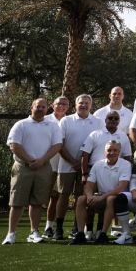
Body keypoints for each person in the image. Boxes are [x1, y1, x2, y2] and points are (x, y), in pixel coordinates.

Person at [3, 98, 64, 245]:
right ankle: (11, 234)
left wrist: (42, 161)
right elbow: (14, 145)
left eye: (43, 107)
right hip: (23, 167)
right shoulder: (21, 124)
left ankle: (34, 232)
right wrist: (30, 160)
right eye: (38, 106)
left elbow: (57, 145)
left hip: (43, 167)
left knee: (37, 202)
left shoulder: (52, 126)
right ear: (32, 107)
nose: (41, 109)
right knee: (17, 202)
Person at [49, 94, 100, 240]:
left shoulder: (97, 122)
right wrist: (73, 161)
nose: (83, 105)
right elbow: (59, 143)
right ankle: (58, 228)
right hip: (66, 165)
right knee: (63, 196)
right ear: (75, 105)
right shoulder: (66, 120)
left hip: (87, 167)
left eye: (86, 103)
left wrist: (83, 163)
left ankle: (76, 229)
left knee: (81, 197)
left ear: (91, 105)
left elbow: (98, 144)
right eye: (81, 103)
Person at [67, 140, 129, 245]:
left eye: (115, 150)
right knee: (82, 199)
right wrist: (90, 196)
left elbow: (121, 188)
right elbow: (88, 185)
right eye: (109, 150)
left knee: (110, 199)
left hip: (118, 199)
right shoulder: (97, 165)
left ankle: (103, 235)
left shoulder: (125, 164)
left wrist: (101, 197)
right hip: (101, 197)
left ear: (119, 152)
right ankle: (80, 234)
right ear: (104, 152)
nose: (112, 153)